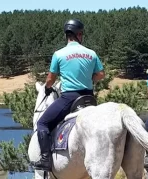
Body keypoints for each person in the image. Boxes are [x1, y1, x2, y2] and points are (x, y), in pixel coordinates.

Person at [31, 19, 105, 171]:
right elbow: (101, 74)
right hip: (89, 99)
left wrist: (46, 87)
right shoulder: (91, 53)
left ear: (67, 35)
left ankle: (45, 159)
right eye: (81, 34)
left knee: (42, 124)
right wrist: (90, 79)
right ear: (78, 34)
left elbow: (51, 79)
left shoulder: (59, 54)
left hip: (69, 98)